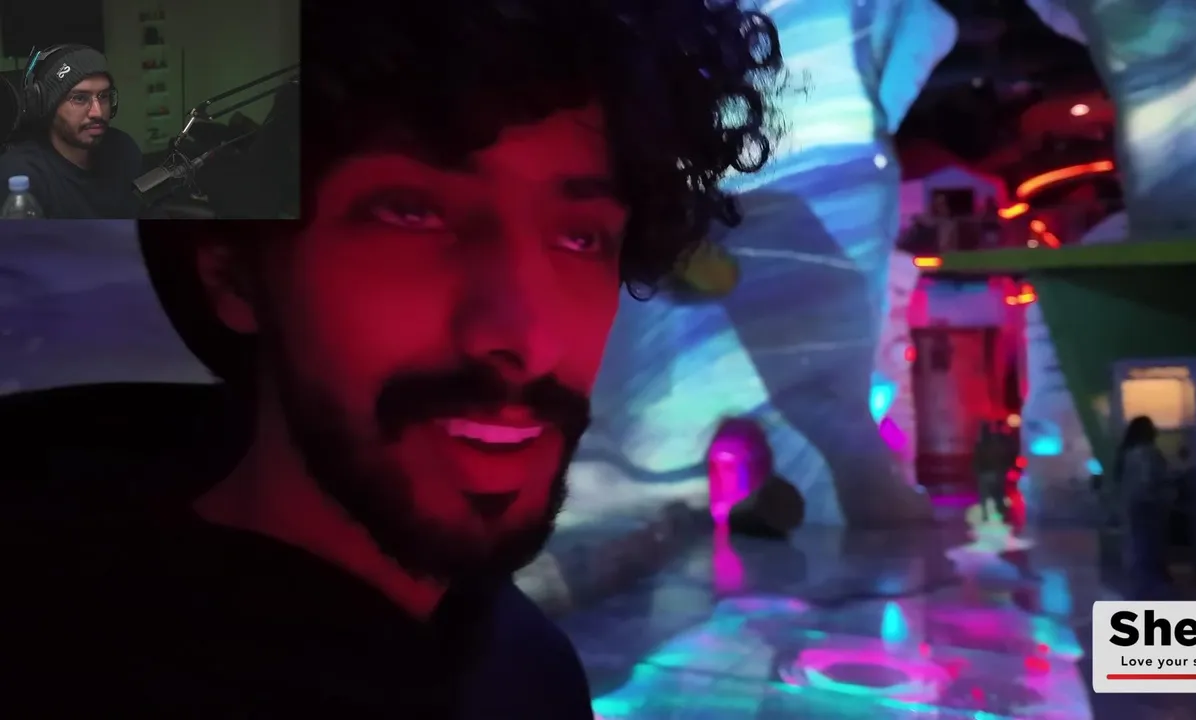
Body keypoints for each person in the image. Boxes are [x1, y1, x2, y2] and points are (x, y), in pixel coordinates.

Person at [0, 1, 784, 718]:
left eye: (581, 236)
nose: (526, 336)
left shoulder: (528, 669)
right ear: (231, 273)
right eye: (410, 213)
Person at [0, 44, 142, 218]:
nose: (97, 112)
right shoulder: (19, 174)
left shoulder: (123, 149)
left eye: (103, 96)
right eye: (80, 98)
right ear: (46, 106)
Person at [1114, 415, 1175, 598]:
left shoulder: (1127, 453)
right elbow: (1147, 480)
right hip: (1150, 505)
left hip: (1134, 505)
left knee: (1139, 543)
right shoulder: (1148, 453)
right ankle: (1155, 585)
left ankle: (1142, 585)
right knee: (1153, 544)